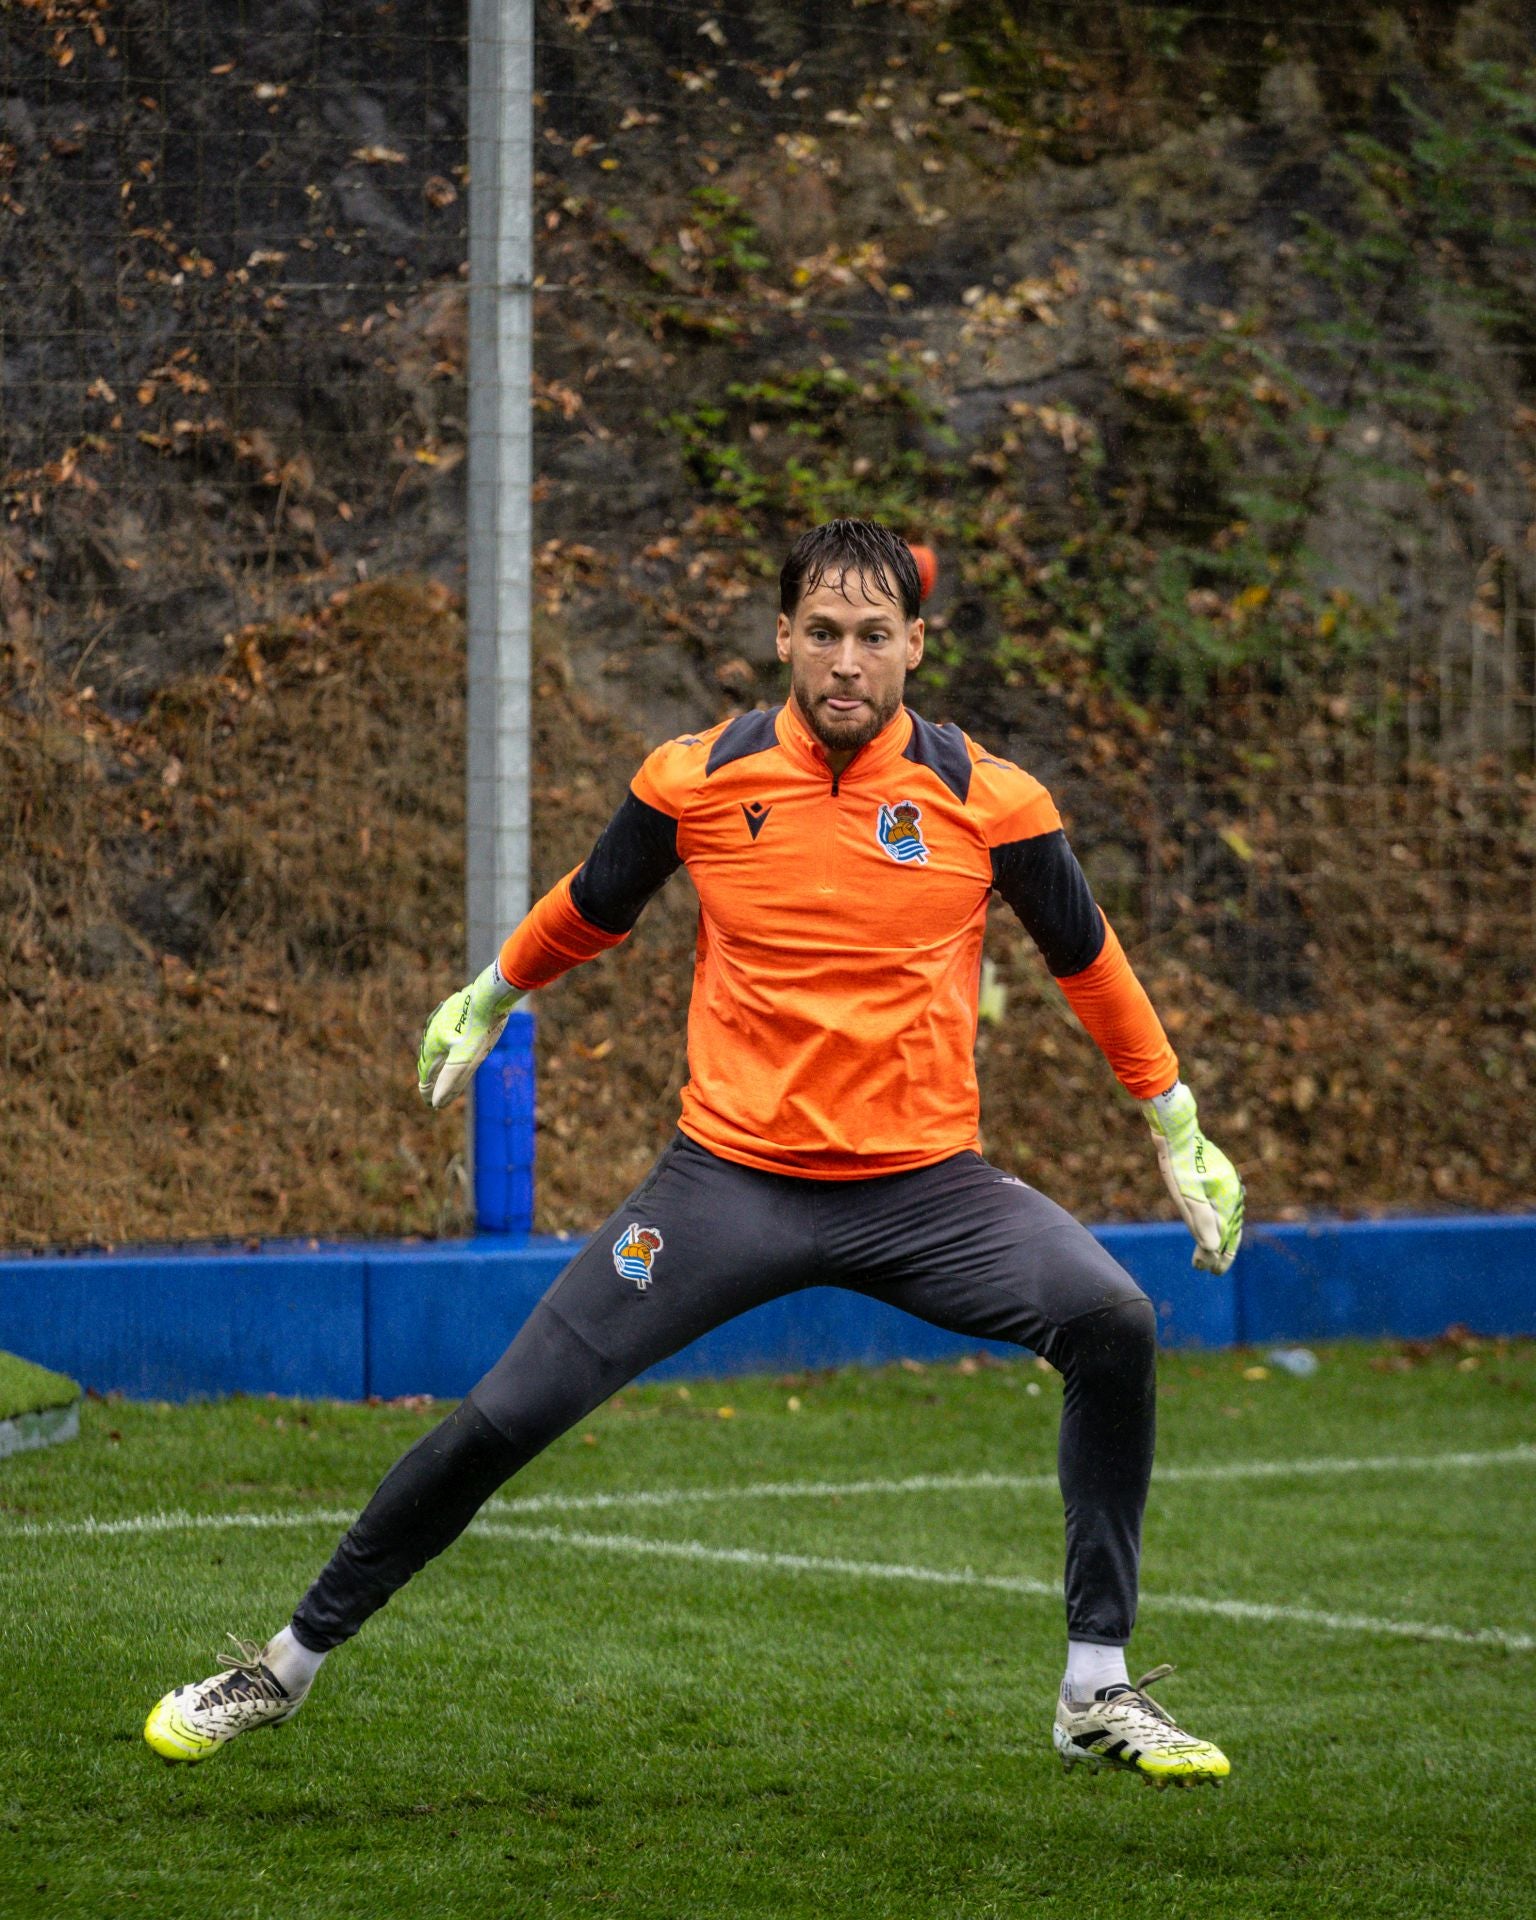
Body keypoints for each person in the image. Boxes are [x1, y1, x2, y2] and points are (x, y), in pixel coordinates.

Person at [145, 519, 1244, 1786]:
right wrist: (494, 992)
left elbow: (1087, 960)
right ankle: (281, 1666)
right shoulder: (699, 778)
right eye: (821, 633)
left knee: (1111, 1320)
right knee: (507, 1414)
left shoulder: (993, 800)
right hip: (726, 1188)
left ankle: (1095, 1688)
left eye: (871, 636)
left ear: (915, 645)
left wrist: (1175, 1121)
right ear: (782, 637)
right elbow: (594, 904)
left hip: (927, 1191)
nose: (844, 661)